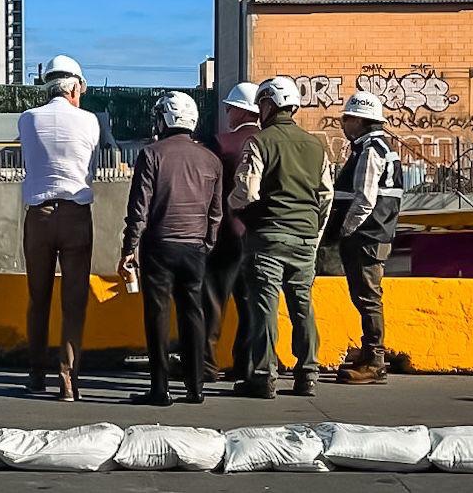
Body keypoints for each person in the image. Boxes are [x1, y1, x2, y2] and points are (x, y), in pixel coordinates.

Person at [229, 76, 333, 399]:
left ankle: (264, 376)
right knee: (303, 305)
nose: (259, 110)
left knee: (265, 307)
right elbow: (326, 195)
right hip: (304, 239)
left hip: (268, 239)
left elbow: (248, 190)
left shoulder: (260, 142)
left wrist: (231, 204)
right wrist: (313, 233)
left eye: (261, 104)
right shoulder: (317, 145)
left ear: (269, 104)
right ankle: (308, 373)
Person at [119, 91, 222, 406]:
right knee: (193, 313)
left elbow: (140, 208)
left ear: (164, 119)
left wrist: (129, 248)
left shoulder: (151, 154)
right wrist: (206, 244)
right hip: (195, 249)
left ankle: (160, 389)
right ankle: (196, 387)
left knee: (158, 315)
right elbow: (215, 213)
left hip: (160, 246)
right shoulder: (211, 159)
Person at [18, 54, 101, 402]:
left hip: (38, 215)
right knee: (74, 300)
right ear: (75, 87)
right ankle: (68, 378)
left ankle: (36, 373)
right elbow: (91, 167)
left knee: (39, 298)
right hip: (76, 214)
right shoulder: (90, 121)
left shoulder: (28, 119)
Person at [326, 91, 403, 385]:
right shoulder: (381, 148)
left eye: (346, 118)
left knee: (368, 297)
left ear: (360, 120)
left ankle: (374, 360)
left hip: (366, 236)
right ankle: (370, 352)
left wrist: (345, 229)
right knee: (366, 296)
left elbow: (364, 199)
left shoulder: (371, 151)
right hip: (375, 234)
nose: (343, 123)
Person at [202, 82, 261, 382]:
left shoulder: (221, 143)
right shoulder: (269, 142)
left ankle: (207, 364)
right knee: (250, 304)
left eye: (229, 107)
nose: (226, 112)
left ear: (241, 110)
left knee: (213, 300)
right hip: (258, 236)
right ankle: (246, 365)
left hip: (225, 233)